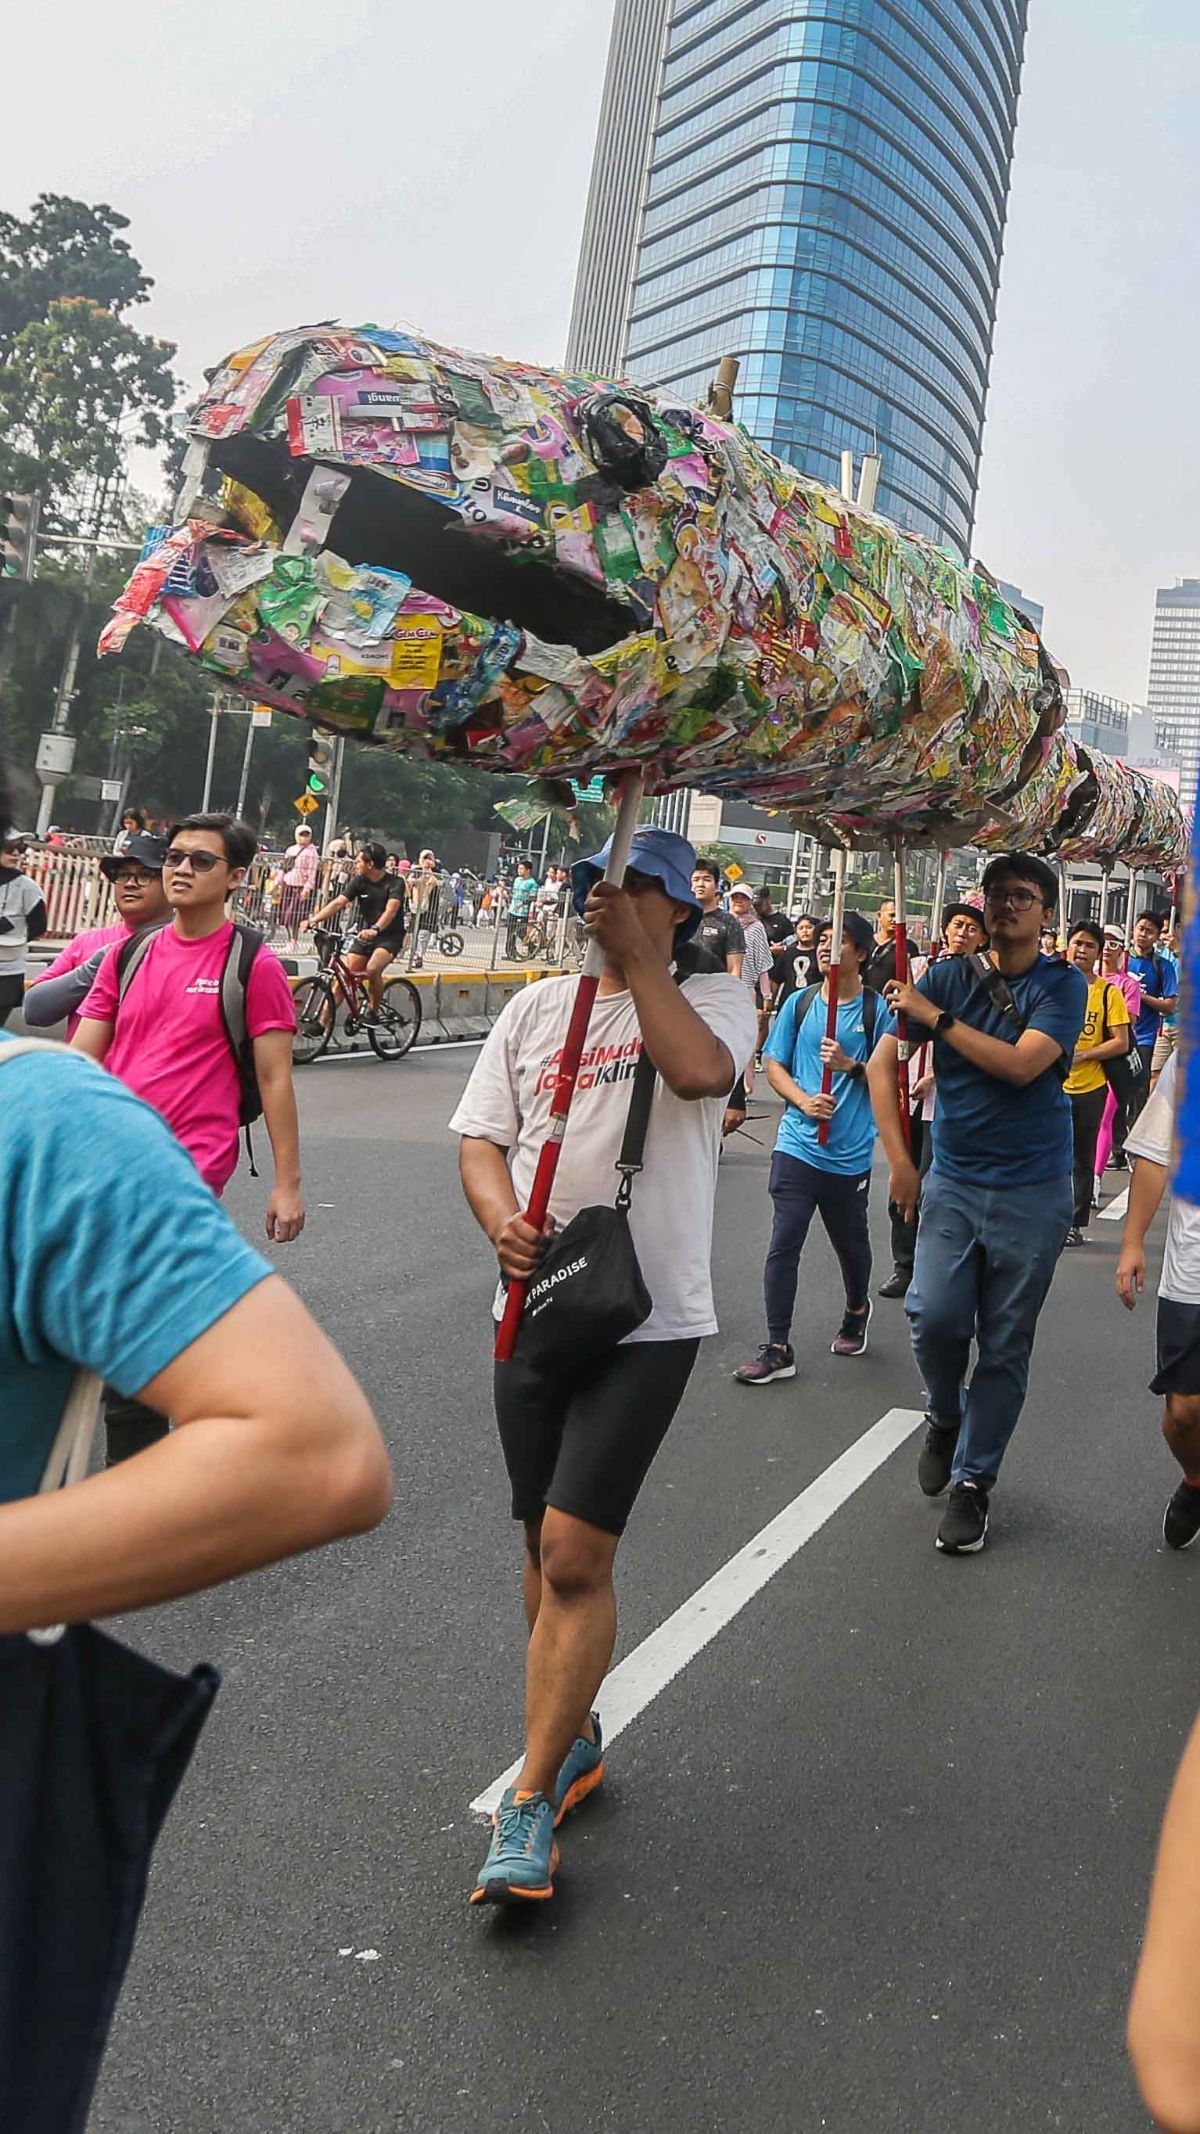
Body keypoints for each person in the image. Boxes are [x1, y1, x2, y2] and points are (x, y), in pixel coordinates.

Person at [451, 826, 755, 1906]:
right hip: (530, 1309)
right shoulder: (534, 1008)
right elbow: (484, 1137)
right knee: (537, 1541)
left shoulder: (711, 1002)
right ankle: (571, 1733)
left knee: (578, 1552)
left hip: (648, 1316)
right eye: (596, 886)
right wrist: (499, 1221)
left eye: (634, 890)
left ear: (676, 909)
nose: (604, 900)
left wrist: (638, 961)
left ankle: (529, 1800)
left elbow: (699, 1075)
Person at [869, 852, 1087, 1554]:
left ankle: (973, 1485)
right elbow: (882, 1066)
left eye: (1022, 895)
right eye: (995, 894)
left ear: (1046, 913)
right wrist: (902, 1163)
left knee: (1004, 1341)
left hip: (1034, 1188)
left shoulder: (1063, 984)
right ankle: (944, 1414)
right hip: (954, 1180)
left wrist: (937, 1020)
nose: (1004, 905)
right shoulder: (941, 977)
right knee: (932, 1315)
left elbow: (1024, 1065)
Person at [735, 911, 884, 1384]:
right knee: (785, 1241)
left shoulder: (875, 1011)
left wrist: (849, 1065)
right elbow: (774, 1064)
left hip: (849, 1154)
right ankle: (778, 1345)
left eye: (837, 941)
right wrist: (802, 1100)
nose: (824, 948)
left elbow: (889, 1079)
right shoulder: (799, 1004)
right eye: (821, 940)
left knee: (851, 1244)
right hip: (797, 1144)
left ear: (860, 953)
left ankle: (857, 1308)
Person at [877, 902, 989, 1301]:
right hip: (907, 1090)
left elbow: (978, 1041)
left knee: (934, 1186)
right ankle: (903, 1264)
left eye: (973, 927)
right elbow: (894, 1030)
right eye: (957, 925)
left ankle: (937, 1265)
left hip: (946, 1100)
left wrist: (934, 1075)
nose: (963, 932)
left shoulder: (984, 982)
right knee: (902, 1177)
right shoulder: (919, 968)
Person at [1114, 1052, 1200, 1550]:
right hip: (1191, 1270)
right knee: (1185, 1414)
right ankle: (1196, 1478)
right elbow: (1154, 1154)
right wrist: (1131, 1242)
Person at [24, 832, 170, 1039]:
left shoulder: (185, 945)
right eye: (122, 875)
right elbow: (34, 1010)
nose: (130, 883)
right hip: (86, 1068)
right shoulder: (88, 942)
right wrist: (92, 971)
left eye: (145, 875)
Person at [1062, 918, 1133, 1247]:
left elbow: (1121, 1041)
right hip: (1053, 1087)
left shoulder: (1108, 993)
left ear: (1098, 953)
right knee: (1049, 1154)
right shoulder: (1055, 987)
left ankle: (1075, 1223)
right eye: (1078, 943)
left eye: (1090, 945)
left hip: (1091, 1087)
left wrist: (1086, 1055)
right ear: (1068, 945)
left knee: (1081, 1157)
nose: (1082, 950)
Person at [310, 840, 407, 1013]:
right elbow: (339, 903)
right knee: (343, 980)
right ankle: (321, 1023)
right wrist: (314, 920)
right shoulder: (359, 881)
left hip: (389, 937)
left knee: (372, 969)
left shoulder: (395, 883)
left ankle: (373, 1010)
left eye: (359, 861)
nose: (355, 864)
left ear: (370, 864)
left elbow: (390, 911)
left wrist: (375, 929)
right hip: (363, 936)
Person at [1097, 934, 1144, 1175]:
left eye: (1113, 944)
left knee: (1105, 1115)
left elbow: (1130, 1020)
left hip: (1115, 1059)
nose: (1107, 949)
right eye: (1103, 943)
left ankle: (1095, 1178)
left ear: (1121, 951)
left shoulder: (1129, 985)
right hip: (1085, 1058)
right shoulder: (1081, 979)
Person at [1126, 910, 1177, 1120]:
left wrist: (1139, 996)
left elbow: (1169, 1005)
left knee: (1139, 1089)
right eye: (1140, 929)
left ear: (1157, 937)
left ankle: (1134, 1135)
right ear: (1133, 930)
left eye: (1149, 931)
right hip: (1116, 1035)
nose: (1143, 934)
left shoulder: (1162, 966)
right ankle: (1116, 1145)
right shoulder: (1120, 960)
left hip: (1144, 1037)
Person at [728, 881, 774, 1089]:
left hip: (746, 988)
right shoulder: (723, 923)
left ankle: (745, 1085)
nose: (738, 901)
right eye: (735, 897)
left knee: (744, 1038)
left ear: (750, 903)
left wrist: (766, 996)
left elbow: (763, 964)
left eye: (743, 898)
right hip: (722, 987)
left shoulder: (756, 928)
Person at [0, 834, 48, 1029]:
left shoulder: (27, 887)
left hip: (8, 973)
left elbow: (39, 926)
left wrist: (14, 939)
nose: (15, 853)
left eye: (20, 847)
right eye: (8, 846)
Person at [690, 858, 744, 977]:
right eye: (696, 879)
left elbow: (734, 969)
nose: (700, 884)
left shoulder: (729, 922)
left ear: (716, 886)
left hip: (713, 991)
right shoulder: (678, 917)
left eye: (707, 879)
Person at [278, 822, 320, 948]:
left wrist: (307, 888)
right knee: (284, 914)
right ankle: (289, 939)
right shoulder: (291, 850)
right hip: (288, 884)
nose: (304, 838)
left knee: (294, 915)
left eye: (307, 835)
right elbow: (284, 867)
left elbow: (312, 872)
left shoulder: (312, 852)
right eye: (301, 835)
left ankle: (294, 940)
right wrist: (278, 883)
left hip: (301, 887)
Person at [866, 897, 902, 991]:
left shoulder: (907, 946)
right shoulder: (865, 942)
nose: (895, 920)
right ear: (879, 916)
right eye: (892, 915)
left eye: (899, 916)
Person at [505, 858, 539, 958]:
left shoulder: (532, 883)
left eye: (521, 869)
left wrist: (522, 903)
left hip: (523, 912)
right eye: (518, 869)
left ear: (528, 870)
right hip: (512, 909)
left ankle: (532, 948)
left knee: (521, 932)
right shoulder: (517, 880)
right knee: (510, 932)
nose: (519, 871)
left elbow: (532, 897)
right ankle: (510, 953)